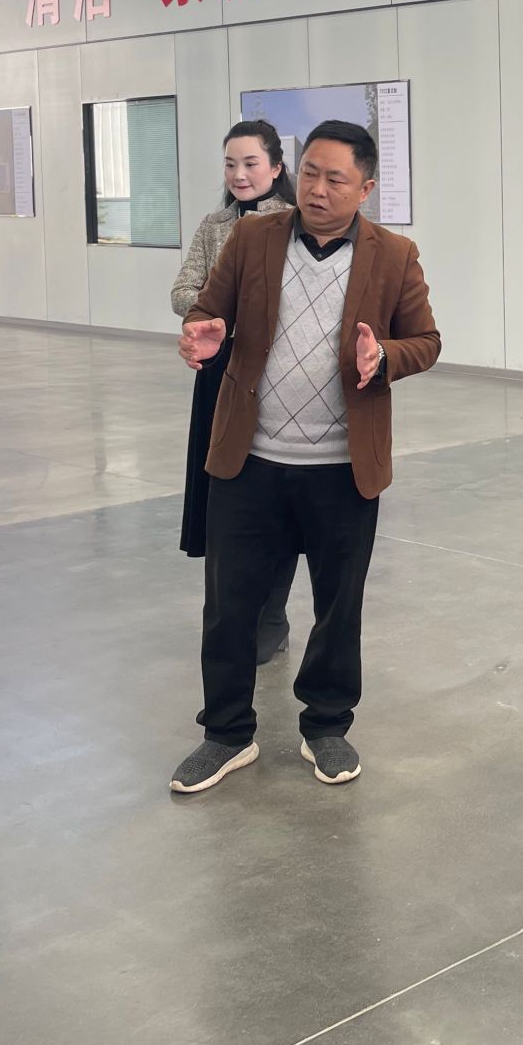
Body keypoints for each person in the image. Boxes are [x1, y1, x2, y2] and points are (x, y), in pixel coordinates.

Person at [169, 119, 441, 795]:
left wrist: (385, 357)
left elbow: (427, 340)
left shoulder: (394, 255)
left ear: (366, 188)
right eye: (311, 173)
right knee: (229, 606)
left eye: (335, 179)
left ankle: (326, 725)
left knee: (337, 607)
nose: (318, 189)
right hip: (250, 460)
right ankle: (226, 734)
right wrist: (203, 331)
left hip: (342, 468)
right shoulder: (253, 237)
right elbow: (208, 309)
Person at [171, 120, 299, 667]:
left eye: (250, 163)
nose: (239, 174)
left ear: (276, 167)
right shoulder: (214, 225)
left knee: (273, 498)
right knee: (224, 502)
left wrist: (227, 304)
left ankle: (273, 617)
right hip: (219, 373)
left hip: (276, 373)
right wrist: (218, 308)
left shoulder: (294, 222)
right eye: (230, 164)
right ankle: (231, 616)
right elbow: (183, 291)